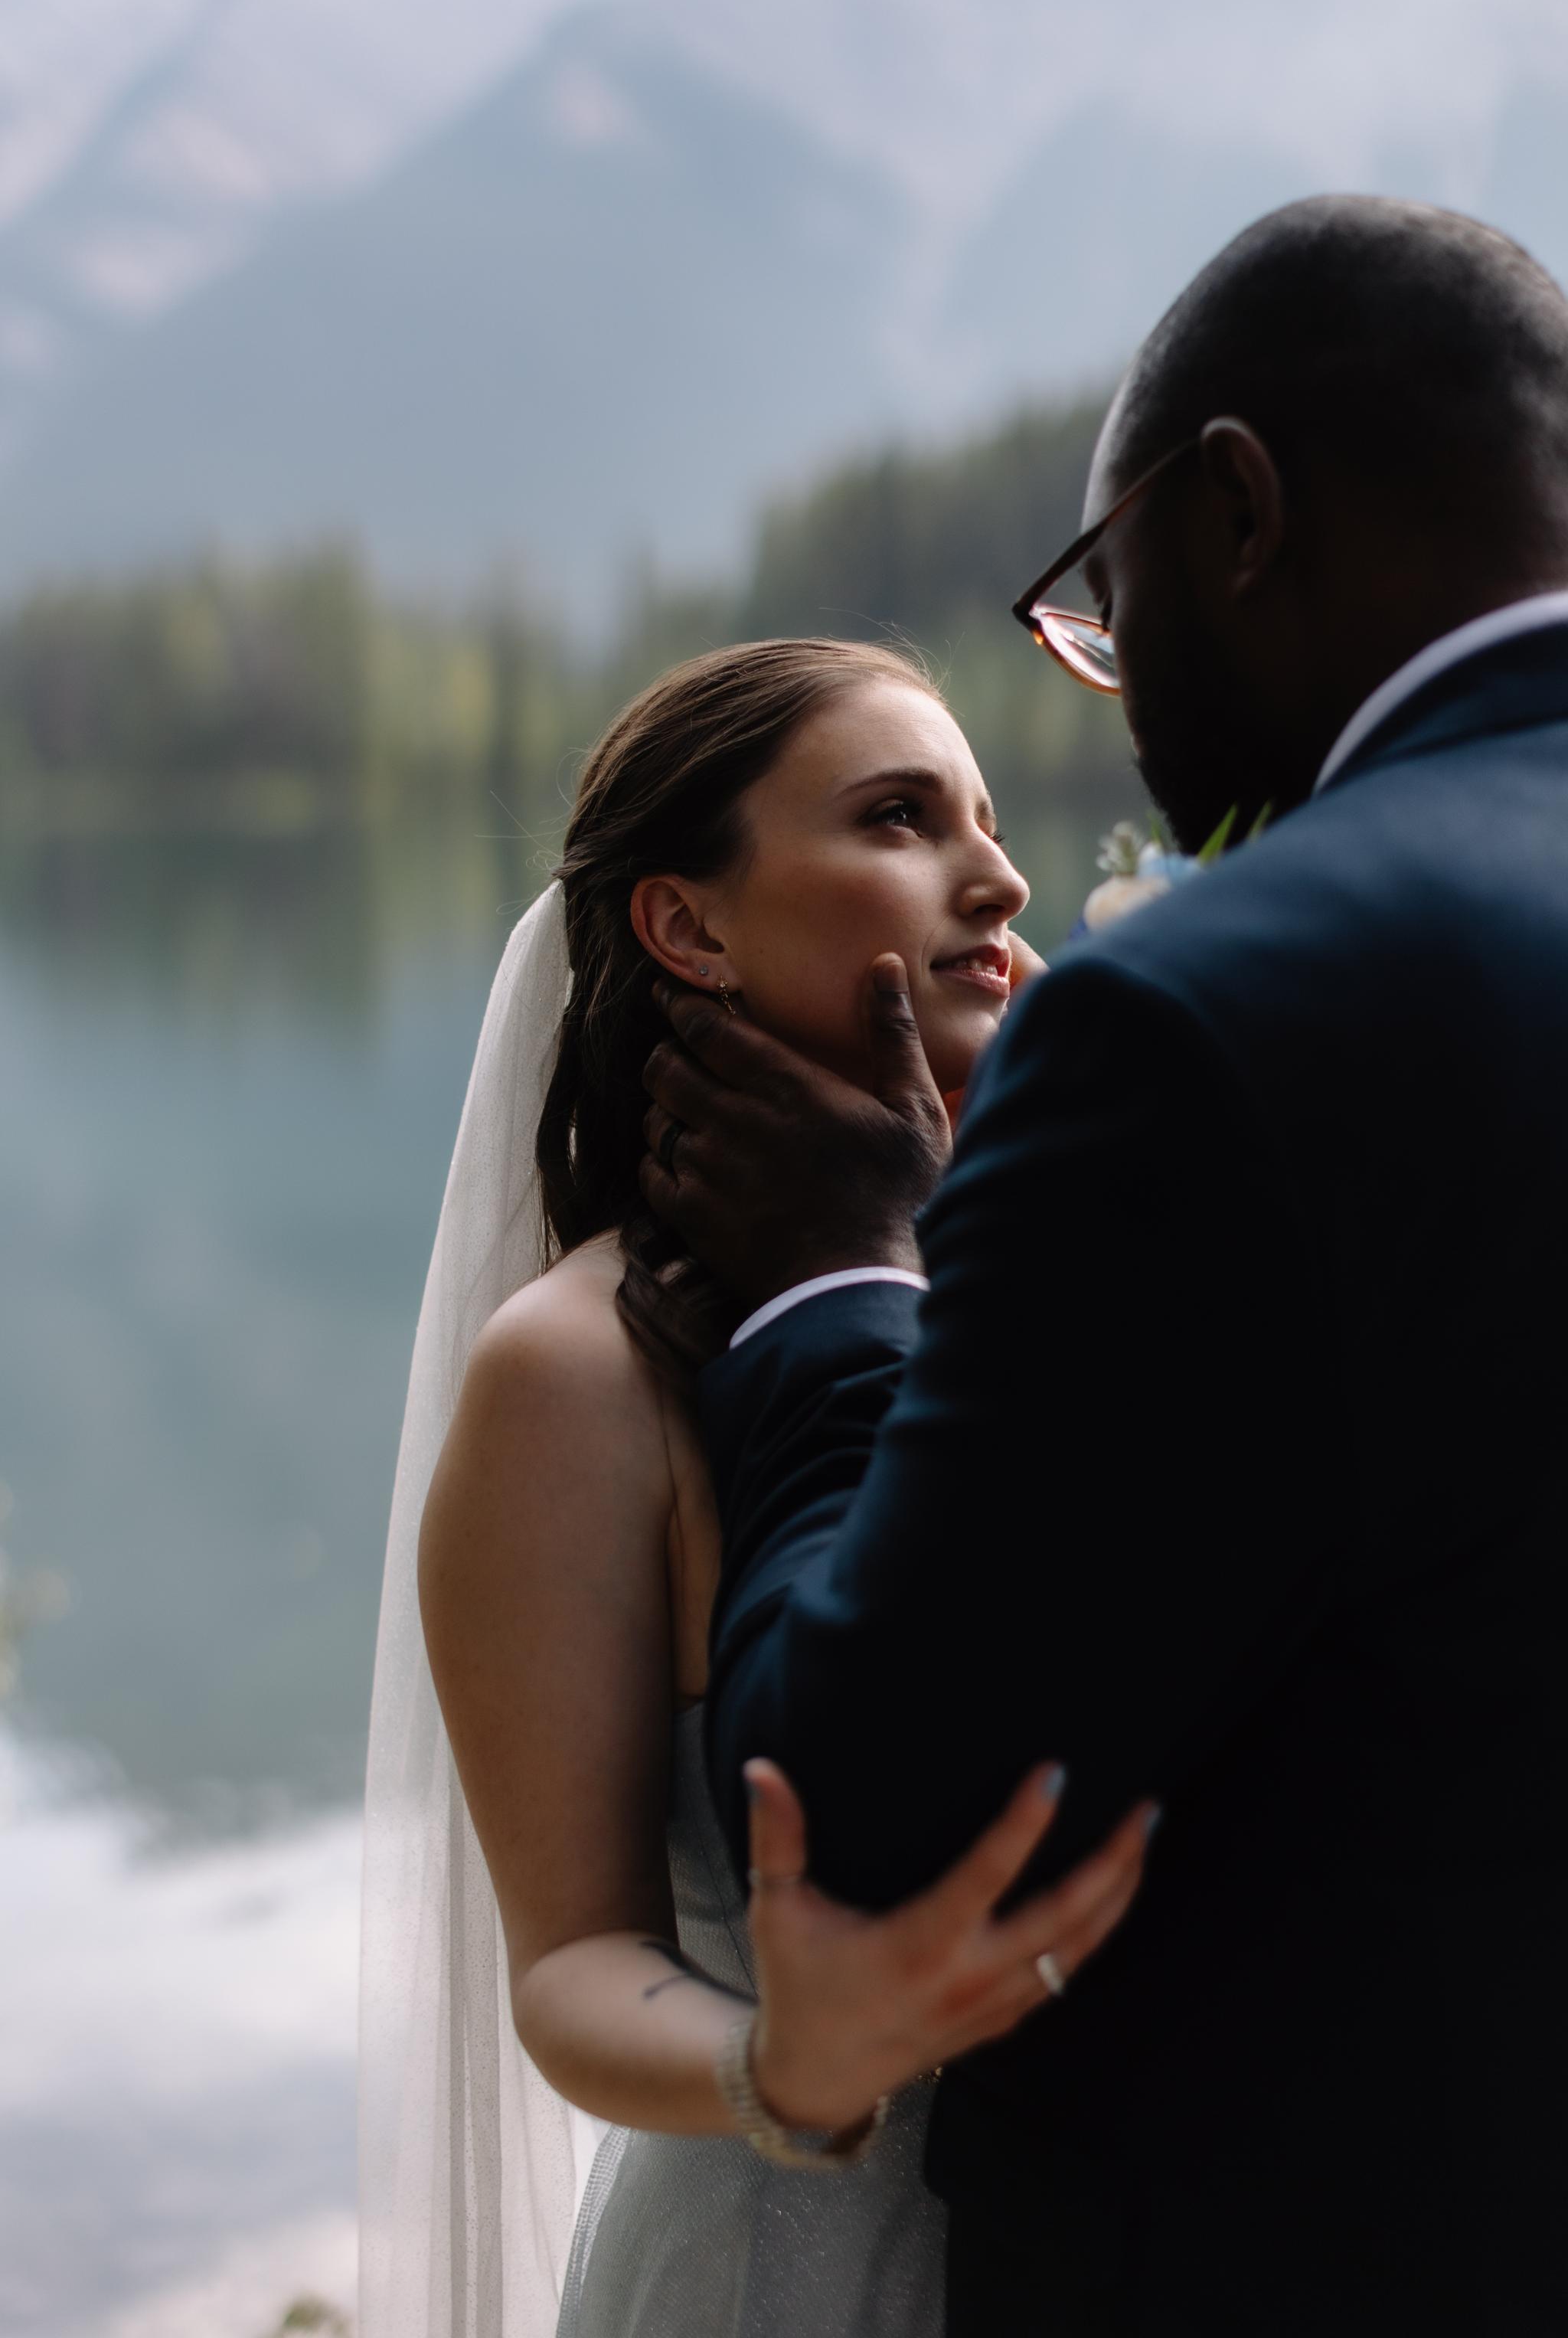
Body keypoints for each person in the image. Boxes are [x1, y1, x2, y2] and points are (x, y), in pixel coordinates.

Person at [640, 197, 1568, 2336]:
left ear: (1232, 509)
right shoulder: (565, 1374)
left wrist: (832, 1287)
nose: (1109, 700)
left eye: (1103, 602)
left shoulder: (1210, 1024)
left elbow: (857, 1815)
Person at [358, 637, 1155, 2338]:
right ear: (687, 926)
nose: (1000, 874)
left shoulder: (1063, 1269)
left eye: (989, 821)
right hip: (788, 2272)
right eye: (896, 816)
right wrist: (773, 2060)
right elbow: (570, 1970)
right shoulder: (578, 1373)